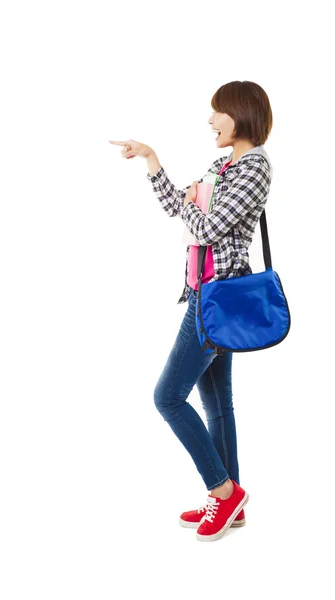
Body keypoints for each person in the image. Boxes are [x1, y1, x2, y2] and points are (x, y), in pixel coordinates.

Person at [109, 80, 273, 542]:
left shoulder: (254, 167)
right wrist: (151, 159)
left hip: (218, 297)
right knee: (218, 406)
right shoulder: (224, 165)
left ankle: (222, 491)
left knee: (167, 397)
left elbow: (209, 228)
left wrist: (191, 207)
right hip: (204, 293)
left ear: (239, 113)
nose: (210, 121)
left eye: (217, 112)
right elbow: (176, 208)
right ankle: (233, 505)